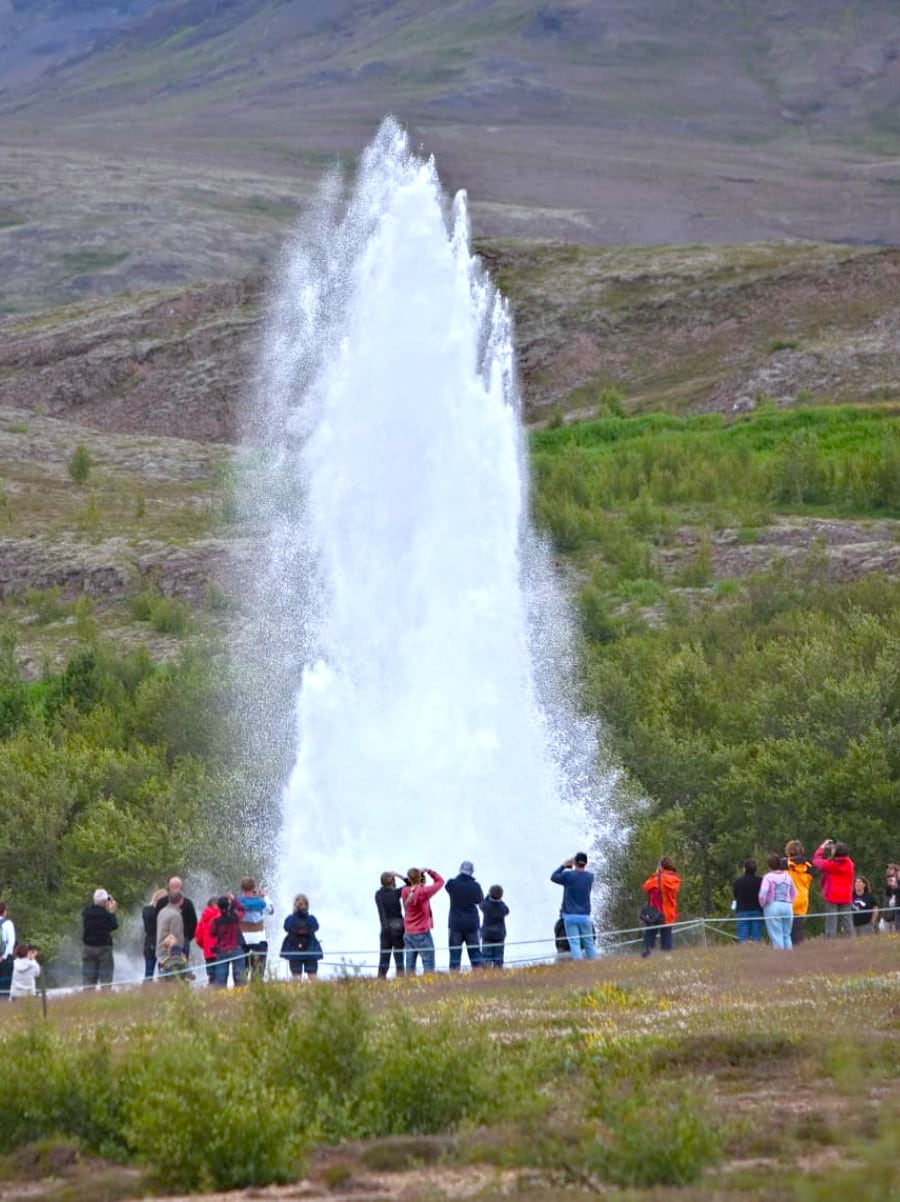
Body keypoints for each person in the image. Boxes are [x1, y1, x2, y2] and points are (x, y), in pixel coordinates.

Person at [551, 853, 596, 960]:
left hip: (570, 916)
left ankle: (579, 966)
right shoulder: (590, 877)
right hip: (585, 916)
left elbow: (553, 877)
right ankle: (594, 964)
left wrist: (564, 866)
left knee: (574, 943)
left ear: (575, 862)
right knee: (589, 943)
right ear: (585, 863)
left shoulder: (568, 875)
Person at [401, 868, 444, 975]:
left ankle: (408, 984)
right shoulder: (424, 892)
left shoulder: (405, 891)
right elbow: (440, 881)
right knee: (428, 961)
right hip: (422, 933)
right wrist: (429, 871)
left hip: (408, 932)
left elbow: (410, 884)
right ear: (420, 878)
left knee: (410, 963)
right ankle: (429, 985)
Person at [445, 861, 484, 971]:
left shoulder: (452, 884)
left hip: (455, 923)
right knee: (475, 953)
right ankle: (479, 976)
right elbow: (479, 900)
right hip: (472, 923)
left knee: (455, 954)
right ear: (471, 872)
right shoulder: (475, 886)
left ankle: (453, 977)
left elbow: (447, 887)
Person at [813, 839, 855, 937]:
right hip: (846, 896)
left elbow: (816, 860)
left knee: (831, 922)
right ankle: (851, 940)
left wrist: (822, 847)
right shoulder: (849, 864)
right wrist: (834, 851)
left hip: (832, 896)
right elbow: (843, 858)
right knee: (847, 921)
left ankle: (830, 942)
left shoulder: (830, 866)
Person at [641, 857, 681, 957]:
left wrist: (655, 874)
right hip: (669, 914)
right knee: (667, 939)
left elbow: (645, 887)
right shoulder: (675, 879)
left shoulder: (657, 878)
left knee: (649, 937)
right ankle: (666, 959)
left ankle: (647, 957)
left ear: (661, 866)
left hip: (656, 913)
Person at [236, 877, 274, 981]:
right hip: (259, 939)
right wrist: (264, 896)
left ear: (241, 888)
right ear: (254, 888)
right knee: (258, 972)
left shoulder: (237, 903)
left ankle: (241, 994)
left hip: (242, 939)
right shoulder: (261, 903)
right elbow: (271, 910)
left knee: (242, 973)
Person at [758, 855, 797, 949]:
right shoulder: (788, 876)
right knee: (787, 935)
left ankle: (780, 959)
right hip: (787, 906)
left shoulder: (768, 877)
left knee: (776, 935)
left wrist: (762, 904)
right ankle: (789, 958)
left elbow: (763, 894)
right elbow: (794, 892)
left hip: (773, 905)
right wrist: (789, 901)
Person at [81, 888, 118, 987]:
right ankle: (104, 998)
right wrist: (112, 911)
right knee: (106, 978)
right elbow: (114, 925)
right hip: (103, 948)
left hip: (88, 948)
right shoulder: (106, 914)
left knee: (88, 979)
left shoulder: (86, 912)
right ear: (105, 901)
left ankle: (88, 998)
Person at [280, 894, 323, 979]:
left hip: (294, 952)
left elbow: (286, 927)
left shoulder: (289, 919)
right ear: (307, 906)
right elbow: (316, 927)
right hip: (310, 952)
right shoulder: (312, 919)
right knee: (313, 978)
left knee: (296, 979)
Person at [375, 871, 408, 979]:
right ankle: (401, 979)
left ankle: (380, 979)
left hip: (385, 928)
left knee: (384, 958)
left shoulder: (378, 894)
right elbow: (411, 883)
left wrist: (385, 927)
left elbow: (381, 913)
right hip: (398, 927)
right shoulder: (396, 893)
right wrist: (399, 875)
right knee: (399, 958)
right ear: (392, 882)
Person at [209, 894, 246, 988]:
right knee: (240, 978)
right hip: (236, 948)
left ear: (218, 907)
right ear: (229, 906)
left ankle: (221, 1000)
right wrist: (234, 899)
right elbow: (242, 910)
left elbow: (212, 933)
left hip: (222, 950)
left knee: (220, 980)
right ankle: (241, 996)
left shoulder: (216, 921)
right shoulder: (235, 917)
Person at [785, 841, 815, 945]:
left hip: (789, 899)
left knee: (786, 933)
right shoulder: (809, 867)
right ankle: (800, 952)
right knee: (798, 931)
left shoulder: (785, 864)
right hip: (803, 899)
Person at [164, 877, 198, 958]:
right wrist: (188, 936)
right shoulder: (188, 903)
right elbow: (193, 922)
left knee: (167, 964)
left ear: (169, 887)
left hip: (168, 939)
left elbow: (193, 923)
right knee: (182, 964)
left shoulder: (162, 902)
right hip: (179, 938)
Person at [732, 859, 764, 944]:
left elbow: (735, 894)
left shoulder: (738, 882)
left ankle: (744, 952)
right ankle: (758, 952)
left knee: (742, 936)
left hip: (742, 911)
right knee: (756, 935)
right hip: (757, 910)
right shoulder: (760, 881)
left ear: (744, 869)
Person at [156, 890, 186, 973]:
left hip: (160, 949)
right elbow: (175, 936)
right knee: (172, 979)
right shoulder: (175, 915)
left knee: (163, 977)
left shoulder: (162, 912)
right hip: (170, 953)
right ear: (180, 901)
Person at [480, 885, 509, 968]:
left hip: (487, 935)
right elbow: (507, 910)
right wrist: (500, 901)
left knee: (486, 957)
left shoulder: (486, 906)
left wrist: (487, 896)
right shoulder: (502, 908)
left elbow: (481, 904)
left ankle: (486, 973)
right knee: (498, 957)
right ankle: (498, 971)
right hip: (499, 935)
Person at [141, 888, 167, 980]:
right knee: (163, 971)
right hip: (161, 942)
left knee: (148, 971)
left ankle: (147, 990)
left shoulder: (146, 910)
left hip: (149, 942)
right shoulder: (162, 912)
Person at [193, 896, 220, 984]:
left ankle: (211, 991)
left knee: (211, 975)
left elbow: (198, 936)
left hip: (208, 952)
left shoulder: (203, 918)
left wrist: (205, 946)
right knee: (221, 975)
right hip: (220, 950)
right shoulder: (220, 916)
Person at [0, 903, 15, 998]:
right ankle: (4, 1006)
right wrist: (3, 956)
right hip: (6, 959)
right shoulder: (8, 923)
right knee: (5, 983)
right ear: (4, 912)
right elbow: (11, 941)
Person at [882, 865, 900, 933]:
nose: (888, 871)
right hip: (889, 916)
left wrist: (896, 887)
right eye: (888, 869)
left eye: (891, 869)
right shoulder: (888, 883)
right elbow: (887, 897)